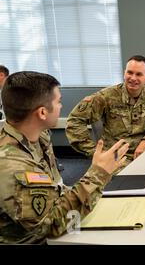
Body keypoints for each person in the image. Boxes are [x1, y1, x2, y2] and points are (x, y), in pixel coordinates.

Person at [0, 71, 129, 244]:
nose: (61, 106)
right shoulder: (13, 167)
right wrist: (98, 174)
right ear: (43, 113)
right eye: (58, 101)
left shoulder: (39, 136)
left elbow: (55, 191)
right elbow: (51, 225)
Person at [66, 55, 145, 165]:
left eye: (139, 74)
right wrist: (95, 152)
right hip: (115, 157)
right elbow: (74, 121)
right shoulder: (106, 96)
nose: (133, 78)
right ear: (124, 73)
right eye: (130, 72)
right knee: (135, 181)